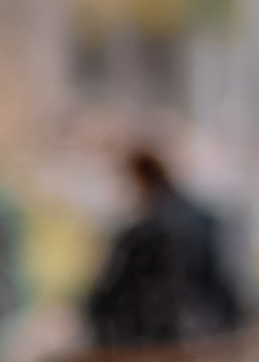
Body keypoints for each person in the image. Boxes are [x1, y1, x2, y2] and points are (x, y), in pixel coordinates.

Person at [82, 148, 247, 349]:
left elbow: (106, 295)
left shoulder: (149, 230)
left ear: (139, 179)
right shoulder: (201, 217)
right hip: (207, 323)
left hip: (170, 334)